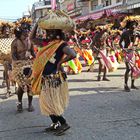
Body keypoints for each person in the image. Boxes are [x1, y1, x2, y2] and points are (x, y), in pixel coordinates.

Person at [30, 10, 76, 136]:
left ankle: (64, 123)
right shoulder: (46, 43)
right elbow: (32, 38)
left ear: (57, 33)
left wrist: (60, 63)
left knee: (50, 103)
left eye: (50, 32)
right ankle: (55, 124)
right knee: (46, 102)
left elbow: (73, 54)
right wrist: (37, 24)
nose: (48, 33)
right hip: (44, 77)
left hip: (52, 78)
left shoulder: (61, 45)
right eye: (47, 31)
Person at [11, 27, 35, 112]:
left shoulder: (30, 41)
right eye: (24, 33)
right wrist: (17, 63)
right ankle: (19, 103)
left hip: (29, 65)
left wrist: (35, 59)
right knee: (21, 86)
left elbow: (32, 52)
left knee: (30, 86)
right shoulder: (15, 42)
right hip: (19, 66)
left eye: (27, 32)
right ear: (19, 34)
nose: (27, 34)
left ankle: (30, 104)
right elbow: (13, 55)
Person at [119, 20, 138, 92]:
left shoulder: (137, 33)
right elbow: (120, 43)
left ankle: (132, 84)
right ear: (129, 25)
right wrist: (123, 49)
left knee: (133, 68)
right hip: (127, 52)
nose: (134, 26)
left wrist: (137, 47)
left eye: (135, 25)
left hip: (134, 52)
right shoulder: (125, 33)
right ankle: (125, 85)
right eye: (132, 25)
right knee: (128, 68)